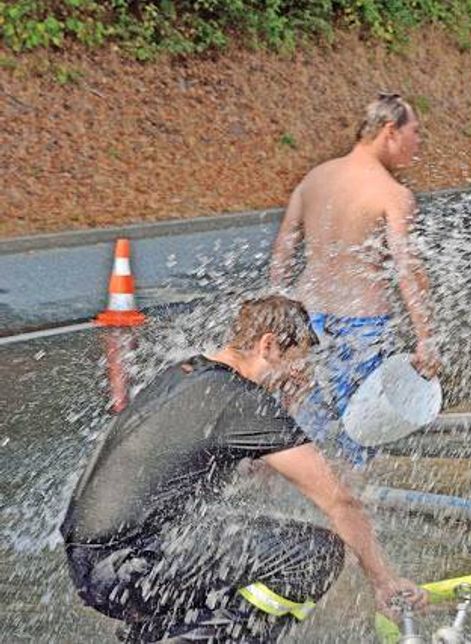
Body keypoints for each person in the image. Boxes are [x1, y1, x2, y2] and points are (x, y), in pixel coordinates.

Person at [60, 296, 427, 642]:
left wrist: (289, 404)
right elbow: (339, 503)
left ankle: (159, 634)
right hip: (130, 568)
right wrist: (384, 581)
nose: (302, 379)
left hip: (95, 564)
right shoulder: (244, 402)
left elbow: (258, 474)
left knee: (239, 546)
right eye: (296, 365)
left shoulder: (185, 373)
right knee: (313, 554)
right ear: (268, 346)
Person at [270, 93, 440, 467]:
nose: (419, 142)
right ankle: (352, 517)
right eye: (416, 132)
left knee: (302, 433)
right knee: (356, 438)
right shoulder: (393, 194)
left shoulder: (315, 178)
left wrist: (279, 327)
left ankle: (292, 508)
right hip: (360, 328)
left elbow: (282, 254)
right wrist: (426, 338)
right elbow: (406, 270)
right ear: (390, 131)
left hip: (303, 320)